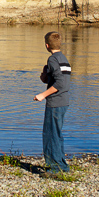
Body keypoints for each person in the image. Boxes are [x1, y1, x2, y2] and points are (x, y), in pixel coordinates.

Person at [35, 31, 72, 177]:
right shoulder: (63, 59)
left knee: (50, 135)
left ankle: (55, 169)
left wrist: (42, 95)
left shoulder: (52, 60)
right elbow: (57, 79)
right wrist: (45, 76)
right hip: (63, 102)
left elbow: (60, 83)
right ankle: (61, 165)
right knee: (56, 134)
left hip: (55, 102)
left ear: (47, 45)